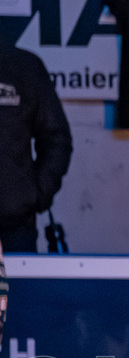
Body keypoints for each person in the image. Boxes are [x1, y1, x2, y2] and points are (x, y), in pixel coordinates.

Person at [0, 43, 73, 253]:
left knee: (11, 288)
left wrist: (34, 196)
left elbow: (56, 138)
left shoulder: (23, 66)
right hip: (15, 220)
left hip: (12, 229)